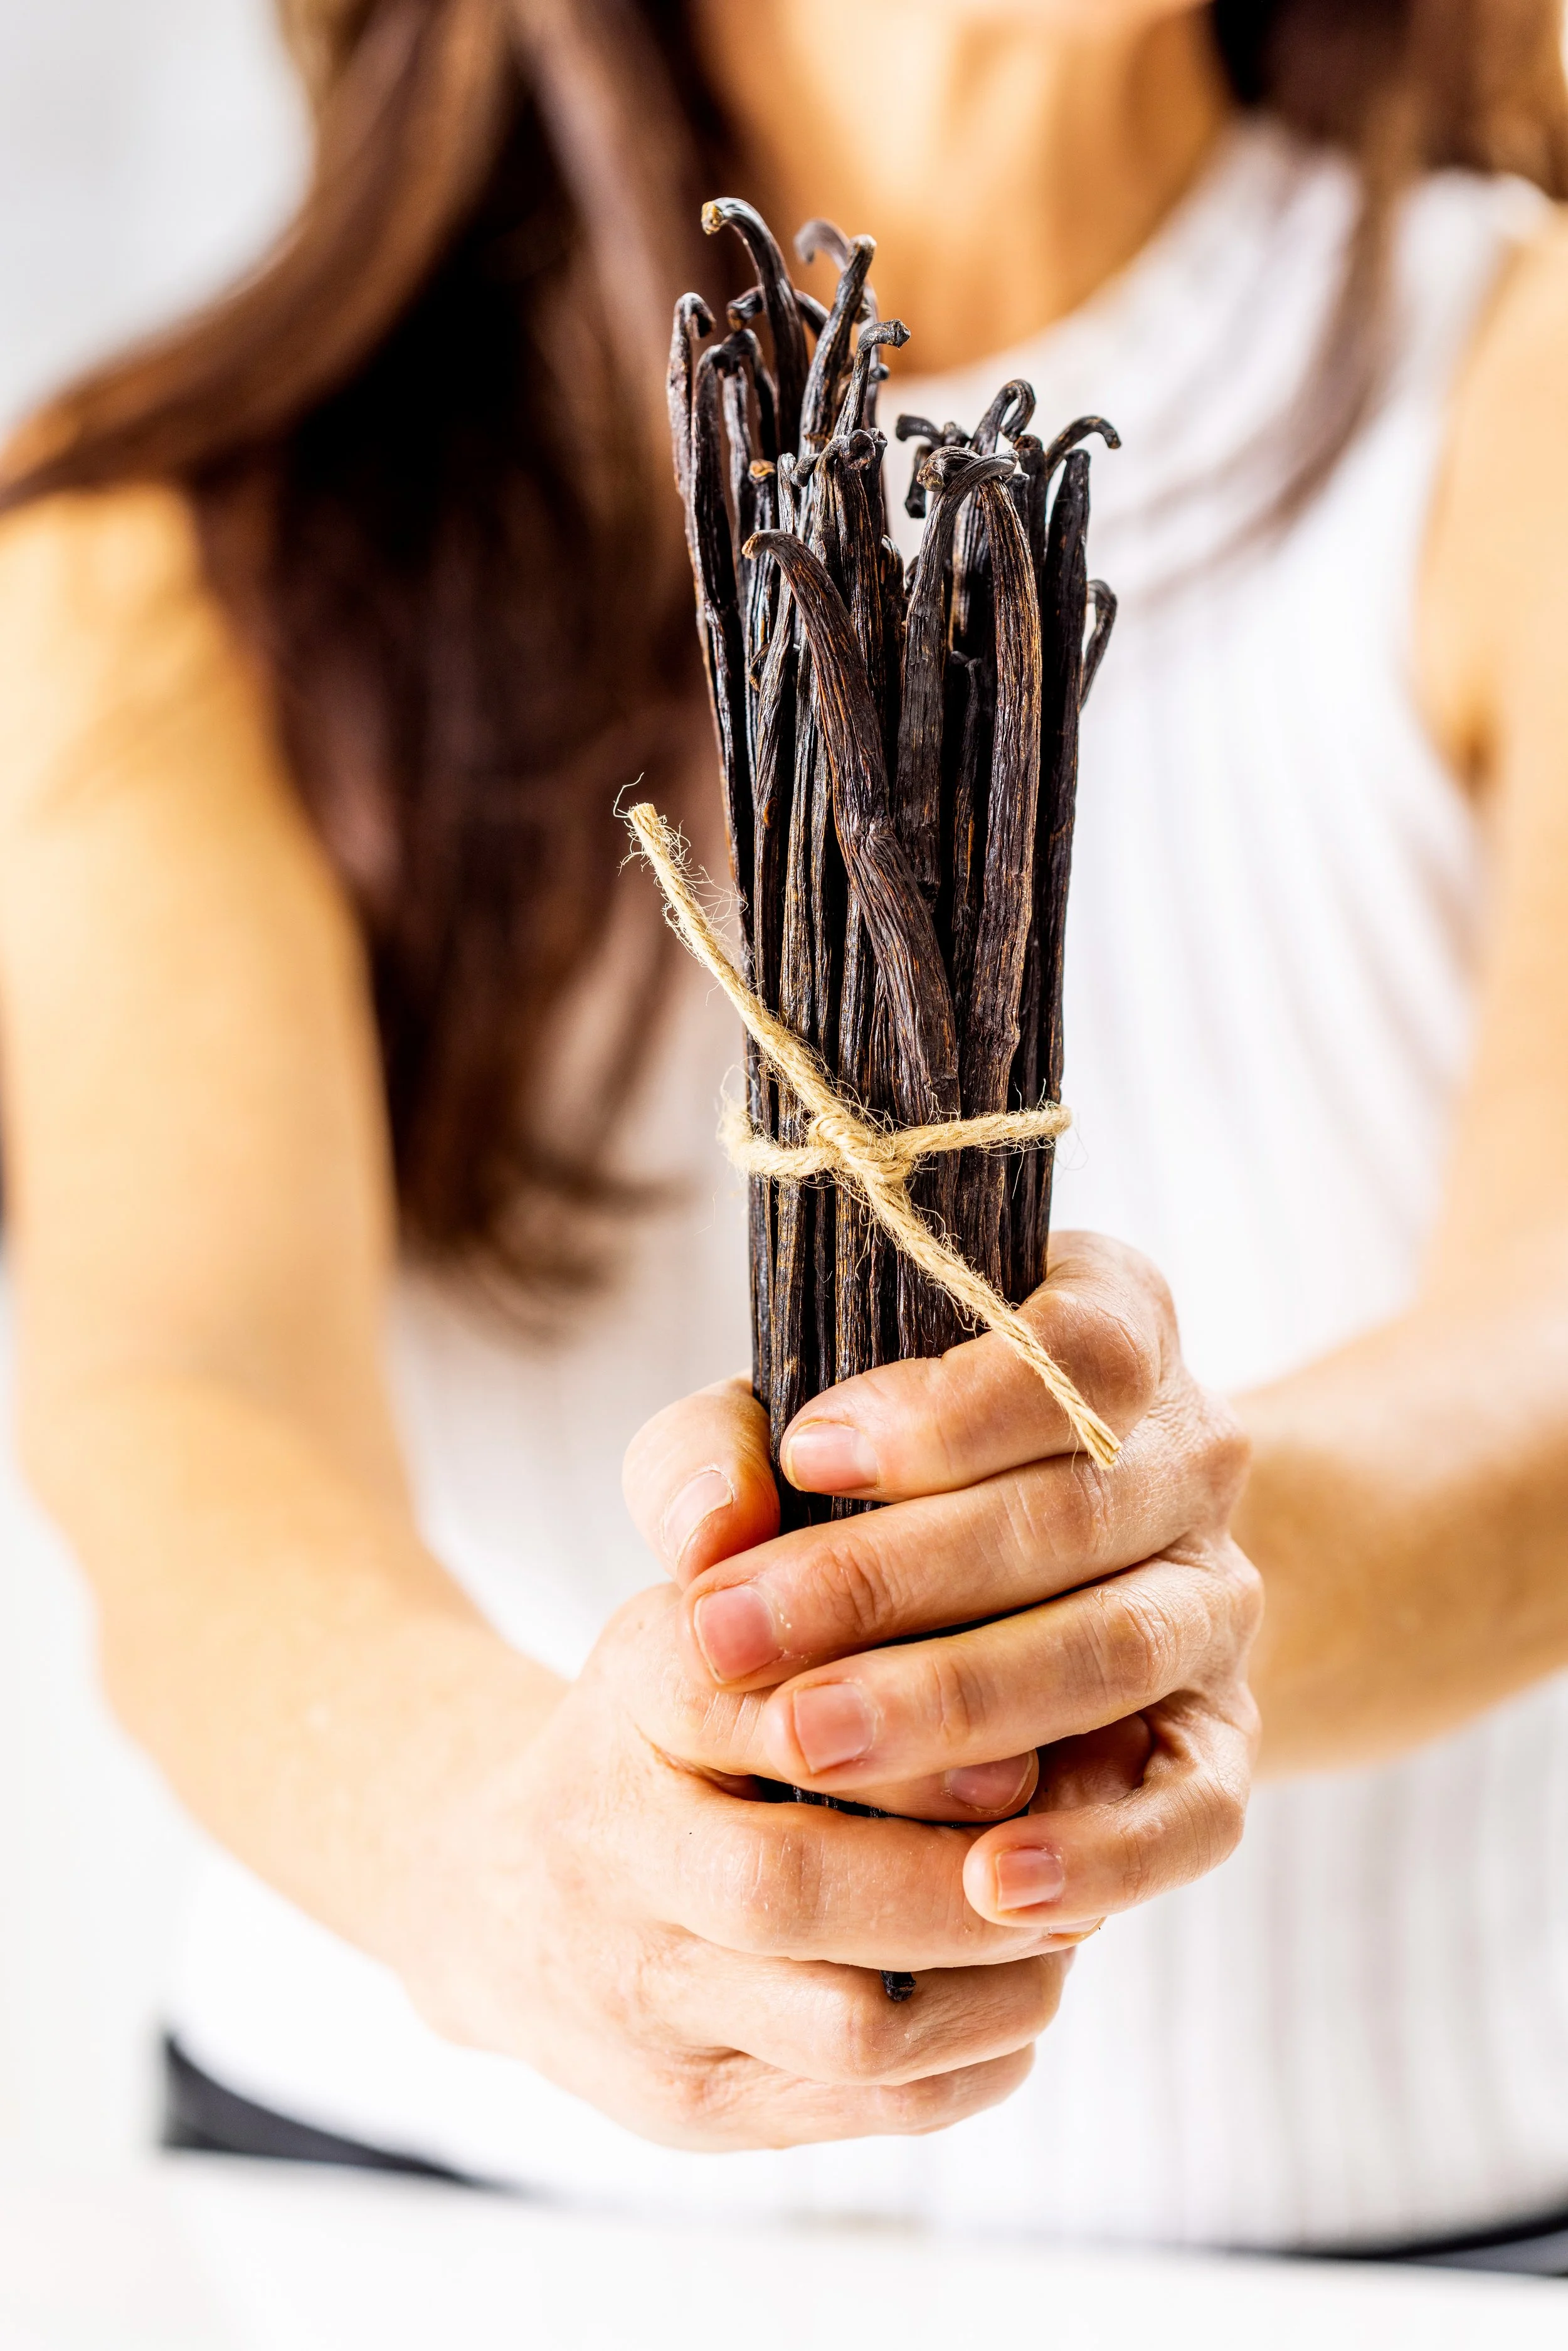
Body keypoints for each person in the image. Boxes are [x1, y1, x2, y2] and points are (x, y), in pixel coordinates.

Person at [1, 0, 1567, 2273]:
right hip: (390, 2248)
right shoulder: (191, 530)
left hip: (1402, 2263)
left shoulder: (1517, 391)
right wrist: (496, 1854)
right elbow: (188, 1407)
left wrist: (1150, 1598)